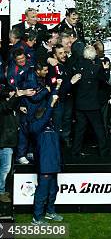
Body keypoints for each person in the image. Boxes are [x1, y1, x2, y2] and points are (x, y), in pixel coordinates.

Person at [70, 45, 111, 158]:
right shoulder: (96, 68)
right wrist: (106, 69)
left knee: (79, 129)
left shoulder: (77, 66)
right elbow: (105, 79)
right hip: (92, 104)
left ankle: (75, 151)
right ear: (94, 56)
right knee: (99, 128)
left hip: (79, 103)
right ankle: (104, 151)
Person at [30, 94, 63, 225]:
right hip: (45, 166)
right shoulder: (35, 127)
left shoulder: (51, 127)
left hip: (54, 164)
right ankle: (36, 218)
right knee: (42, 193)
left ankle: (50, 212)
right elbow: (47, 114)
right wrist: (51, 103)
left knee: (53, 190)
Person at [0, 87, 35, 203]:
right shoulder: (3, 106)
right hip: (4, 144)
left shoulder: (12, 107)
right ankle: (1, 192)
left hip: (8, 143)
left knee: (6, 169)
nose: (15, 95)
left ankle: (2, 190)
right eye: (13, 94)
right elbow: (7, 107)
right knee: (5, 169)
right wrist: (21, 94)